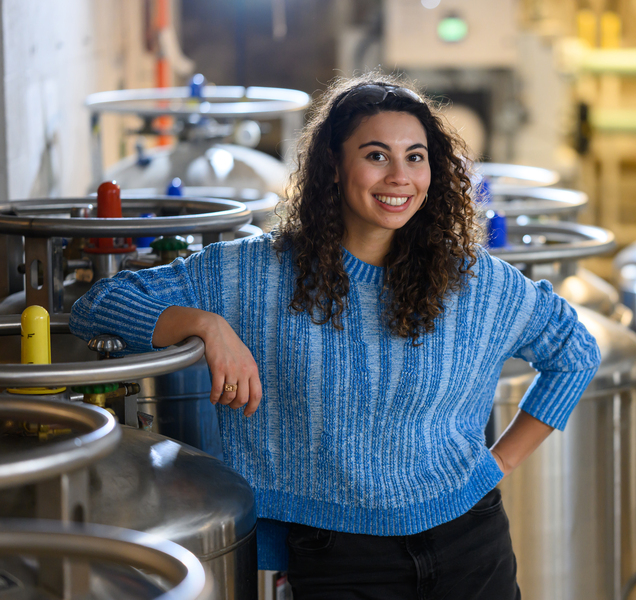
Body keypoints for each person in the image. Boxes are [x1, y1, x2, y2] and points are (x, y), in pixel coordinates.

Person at [70, 74, 601, 599]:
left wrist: (499, 463)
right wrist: (205, 325)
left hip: (469, 544)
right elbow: (95, 307)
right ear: (332, 167)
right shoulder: (256, 272)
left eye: (415, 157)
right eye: (376, 156)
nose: (399, 176)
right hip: (340, 559)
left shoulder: (472, 279)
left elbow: (576, 352)